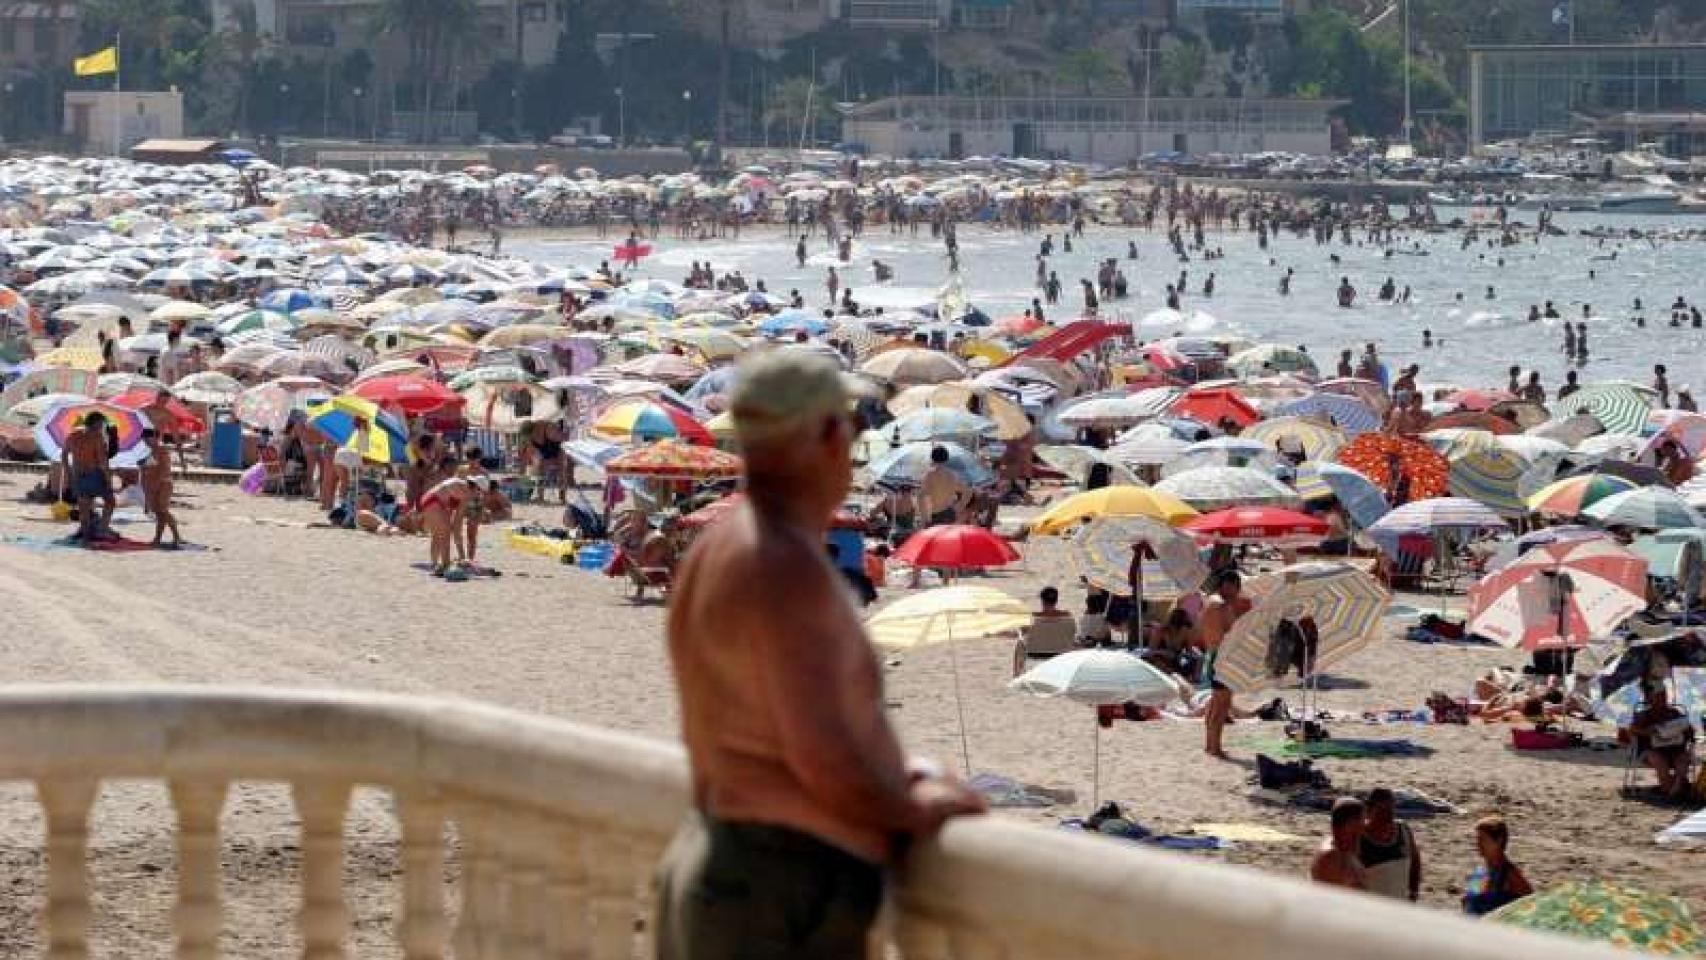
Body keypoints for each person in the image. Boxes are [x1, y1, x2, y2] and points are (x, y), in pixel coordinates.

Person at [655, 351, 985, 960]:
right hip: (776, 883)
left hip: (727, 861)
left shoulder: (722, 543)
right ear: (829, 436)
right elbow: (820, 756)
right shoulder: (781, 565)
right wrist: (912, 804)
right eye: (852, 425)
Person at [1197, 569, 1252, 760]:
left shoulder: (1210, 602)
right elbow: (1230, 634)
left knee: (1215, 703)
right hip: (1222, 658)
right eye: (1236, 588)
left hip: (1213, 655)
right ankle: (1215, 747)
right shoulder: (1221, 605)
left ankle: (1209, 745)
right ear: (1229, 586)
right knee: (1222, 705)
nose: (1237, 593)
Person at [1630, 683, 1696, 802]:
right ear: (1650, 698)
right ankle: (1675, 787)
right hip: (1652, 750)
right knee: (1659, 761)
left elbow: (1689, 731)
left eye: (1664, 696)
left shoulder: (1674, 712)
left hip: (1675, 749)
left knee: (1683, 758)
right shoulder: (1644, 714)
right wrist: (1647, 731)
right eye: (1658, 696)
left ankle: (1674, 789)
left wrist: (1686, 729)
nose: (1662, 699)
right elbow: (1632, 730)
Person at [1359, 787, 1422, 901]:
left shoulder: (1403, 831)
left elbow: (1415, 862)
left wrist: (1414, 891)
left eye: (1391, 810)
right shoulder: (1359, 838)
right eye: (1382, 811)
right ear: (1368, 811)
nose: (1388, 816)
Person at [1462, 816, 1532, 916]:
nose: (1478, 844)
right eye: (1477, 839)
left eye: (1483, 839)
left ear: (1499, 841)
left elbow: (1532, 902)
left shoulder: (1510, 874)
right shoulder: (1480, 872)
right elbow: (1468, 904)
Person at [62, 412, 112, 544]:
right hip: (94, 473)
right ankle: (102, 530)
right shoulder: (97, 437)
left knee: (84, 509)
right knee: (110, 501)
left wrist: (68, 472)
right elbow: (102, 461)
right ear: (96, 423)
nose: (102, 426)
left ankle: (85, 538)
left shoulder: (73, 435)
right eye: (101, 423)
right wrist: (108, 478)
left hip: (78, 475)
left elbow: (64, 454)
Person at [418, 474, 473, 575]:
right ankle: (445, 565)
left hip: (427, 499)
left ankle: (435, 564)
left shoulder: (459, 484)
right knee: (445, 535)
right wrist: (463, 557)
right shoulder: (465, 493)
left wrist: (462, 556)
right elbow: (457, 524)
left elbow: (457, 523)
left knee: (437, 535)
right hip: (435, 502)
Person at [1310, 797, 1368, 890]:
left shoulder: (1345, 846)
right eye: (1363, 819)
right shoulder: (1331, 857)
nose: (1365, 824)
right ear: (1351, 823)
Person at [140, 428, 182, 548]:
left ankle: (176, 536)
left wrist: (153, 486)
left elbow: (164, 470)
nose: (146, 442)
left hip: (163, 484)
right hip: (153, 485)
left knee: (163, 511)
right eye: (144, 440)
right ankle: (158, 538)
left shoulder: (161, 450)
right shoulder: (148, 451)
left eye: (147, 439)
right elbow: (144, 470)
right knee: (159, 513)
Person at [916, 445, 968, 527]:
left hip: (936, 514)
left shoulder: (930, 475)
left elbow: (921, 497)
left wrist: (924, 518)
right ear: (946, 458)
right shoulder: (952, 475)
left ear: (932, 458)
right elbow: (968, 490)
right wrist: (959, 506)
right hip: (950, 513)